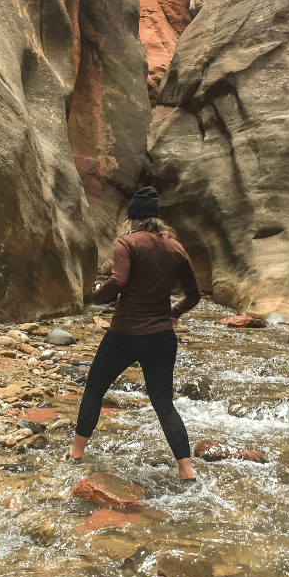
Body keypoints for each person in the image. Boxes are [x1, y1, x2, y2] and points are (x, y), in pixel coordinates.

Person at [66, 186, 201, 480]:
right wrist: (174, 313)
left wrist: (96, 296)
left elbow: (119, 280)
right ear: (156, 218)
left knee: (95, 389)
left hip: (125, 333)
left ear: (132, 218)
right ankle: (186, 470)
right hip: (162, 336)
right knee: (163, 402)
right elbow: (194, 294)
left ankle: (75, 454)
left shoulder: (126, 243)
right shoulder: (176, 247)